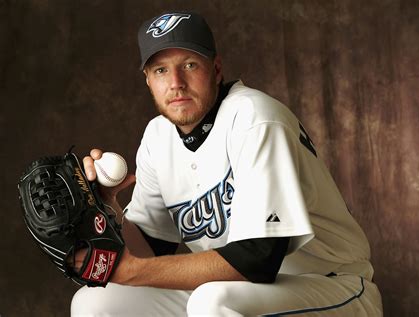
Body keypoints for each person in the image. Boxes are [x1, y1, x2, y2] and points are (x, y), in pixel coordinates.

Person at [71, 11, 383, 316]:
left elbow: (257, 259)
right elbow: (149, 252)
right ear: (148, 81)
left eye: (189, 65)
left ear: (216, 69)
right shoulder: (157, 138)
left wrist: (131, 271)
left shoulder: (255, 118)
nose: (176, 82)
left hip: (331, 286)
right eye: (161, 70)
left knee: (212, 301)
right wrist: (107, 210)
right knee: (94, 303)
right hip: (235, 291)